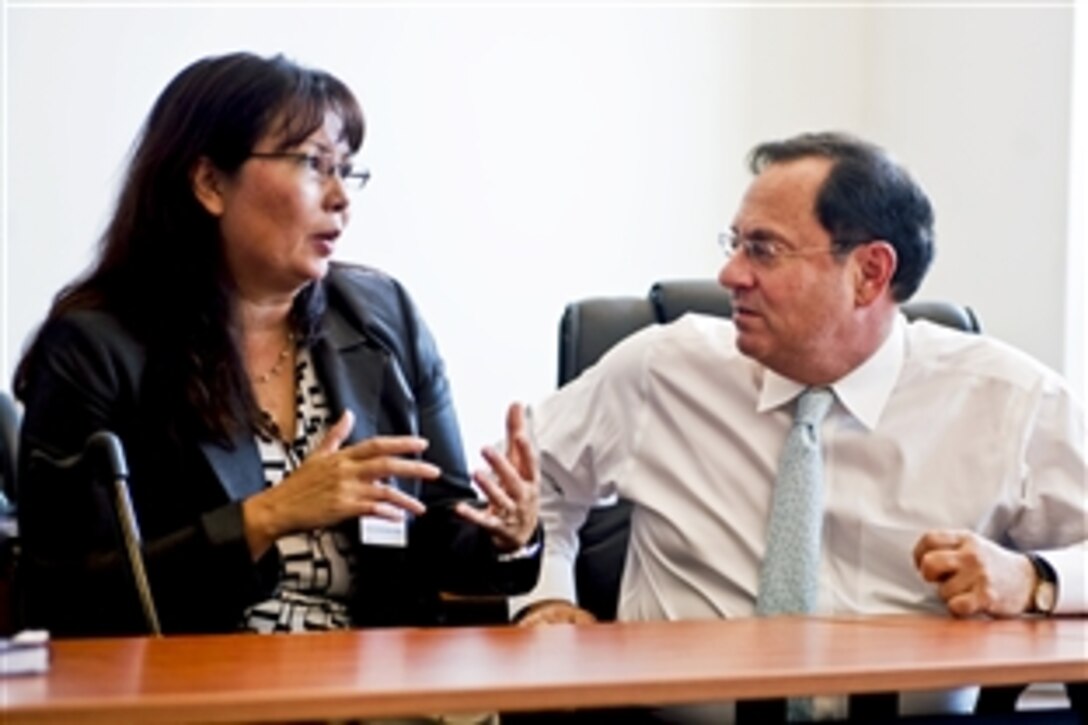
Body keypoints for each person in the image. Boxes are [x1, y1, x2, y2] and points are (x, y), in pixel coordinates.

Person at [510, 132, 1086, 720]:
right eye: (735, 244)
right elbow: (530, 487)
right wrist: (545, 598)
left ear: (869, 272)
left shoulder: (1009, 400)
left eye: (763, 249)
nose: (730, 274)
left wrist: (1035, 579)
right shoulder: (661, 368)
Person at [14, 51, 541, 638]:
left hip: (379, 683)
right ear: (210, 183)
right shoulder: (97, 349)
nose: (341, 196)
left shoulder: (382, 319)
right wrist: (268, 516)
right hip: (197, 691)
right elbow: (67, 596)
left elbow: (438, 529)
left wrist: (505, 533)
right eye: (314, 164)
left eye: (347, 168)